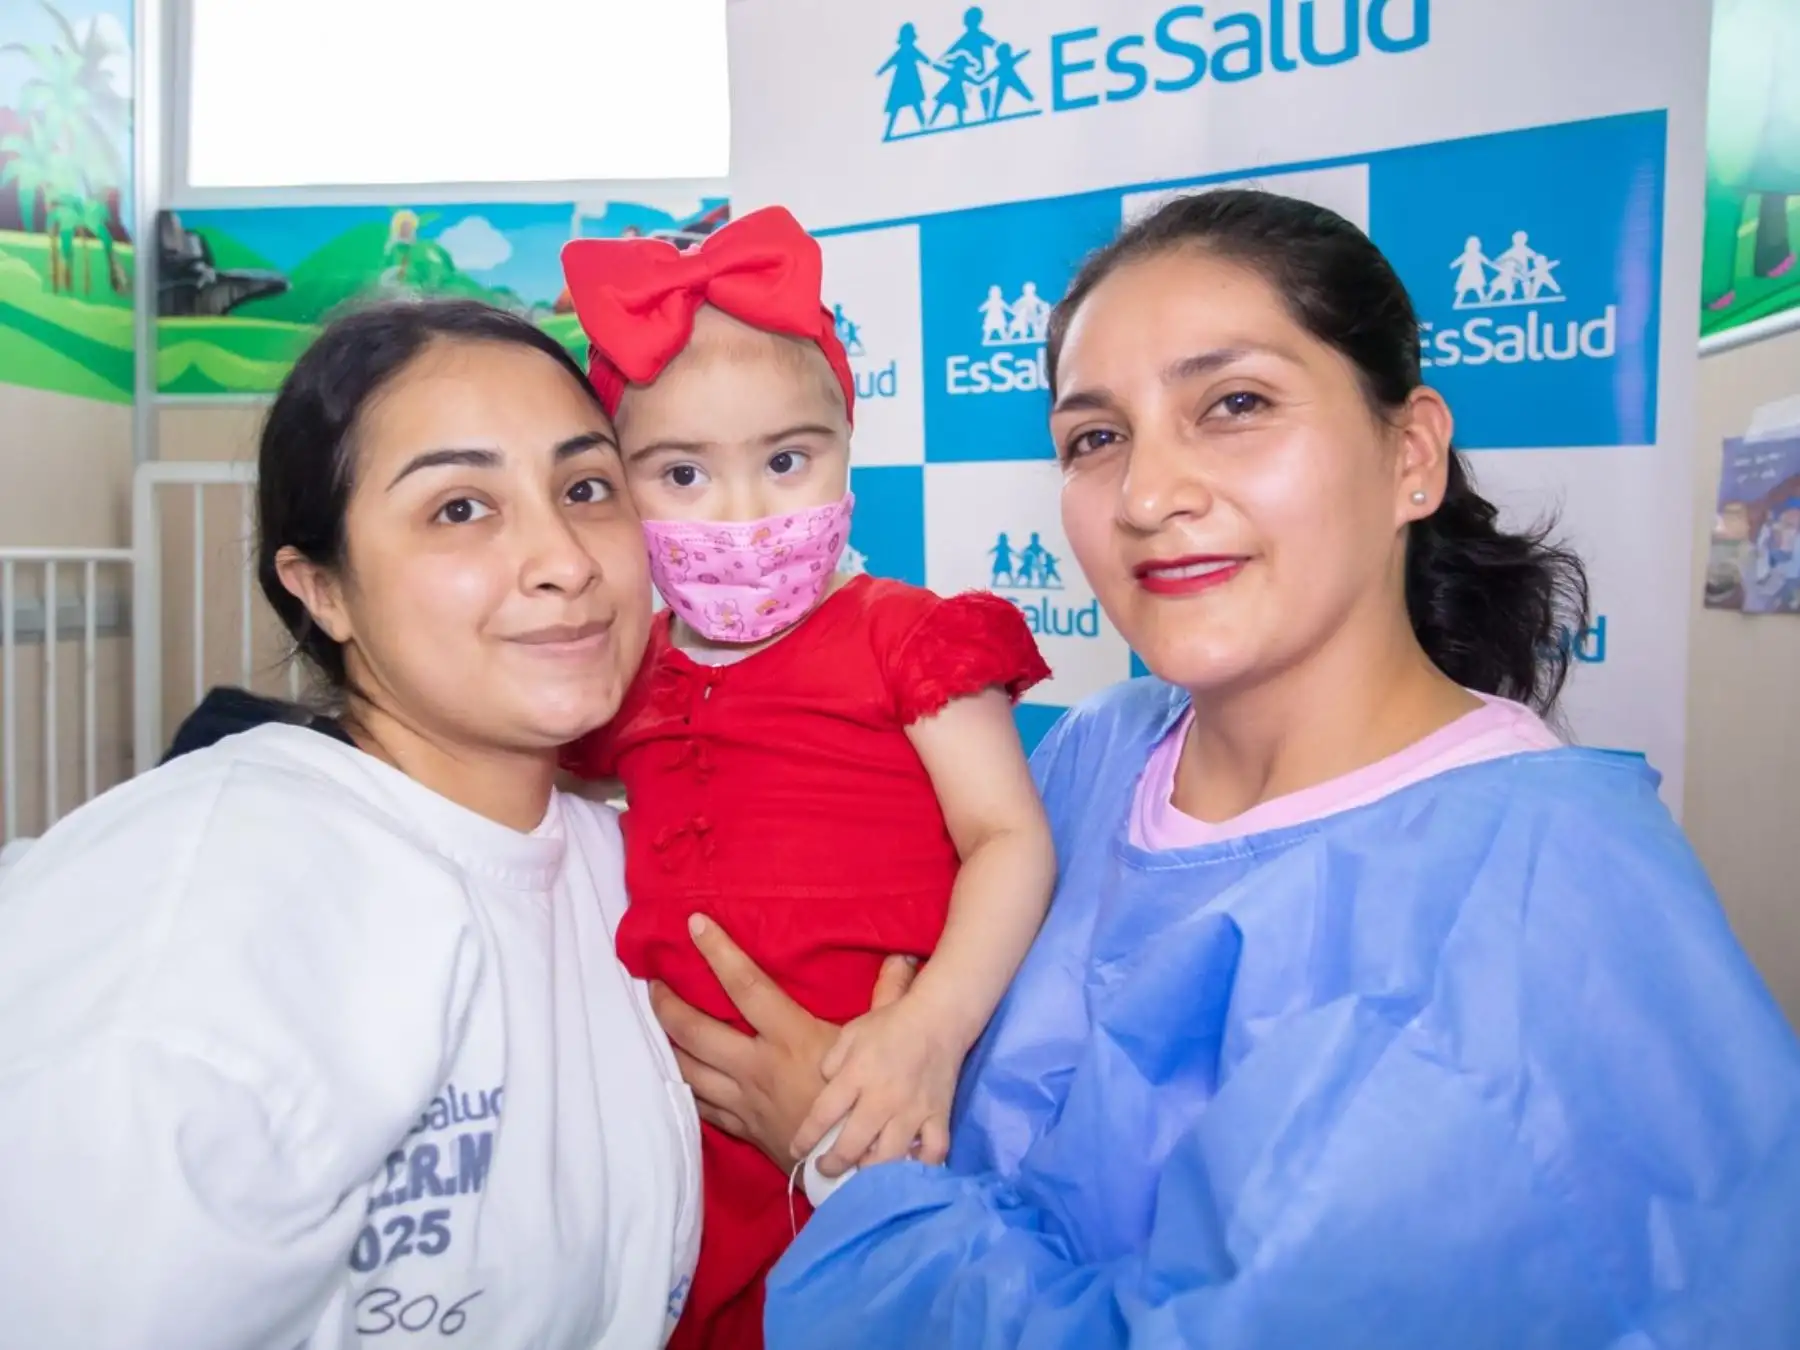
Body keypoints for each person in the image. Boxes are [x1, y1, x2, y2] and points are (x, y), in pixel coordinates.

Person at [646, 190, 1800, 1348]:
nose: (1149, 497)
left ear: (1411, 456)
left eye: (1235, 404)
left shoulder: (1529, 923)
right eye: (1097, 438)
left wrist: (851, 1174)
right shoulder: (1098, 756)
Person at [0, 298, 705, 1349]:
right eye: (460, 508)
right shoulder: (208, 915)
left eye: (587, 486)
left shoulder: (624, 863)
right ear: (320, 588)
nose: (565, 557)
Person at [556, 206, 1056, 1349]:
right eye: (681, 473)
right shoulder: (633, 671)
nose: (743, 513)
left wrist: (927, 1029)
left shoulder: (908, 636)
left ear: (844, 441)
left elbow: (1009, 840)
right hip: (678, 1149)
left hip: (882, 1106)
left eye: (787, 459)